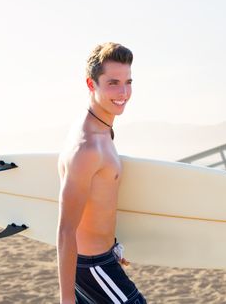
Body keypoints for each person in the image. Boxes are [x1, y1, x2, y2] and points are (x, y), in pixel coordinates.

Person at [57, 42, 147, 304]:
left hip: (103, 258)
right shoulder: (86, 148)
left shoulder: (103, 129)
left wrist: (112, 244)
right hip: (91, 267)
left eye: (128, 82)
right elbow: (65, 231)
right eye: (113, 83)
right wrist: (66, 300)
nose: (124, 92)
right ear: (90, 84)